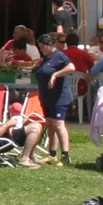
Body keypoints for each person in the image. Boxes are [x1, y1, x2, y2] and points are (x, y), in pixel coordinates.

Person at [34, 32, 81, 166]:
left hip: (59, 97)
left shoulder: (59, 56)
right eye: (39, 47)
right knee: (50, 124)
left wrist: (55, 75)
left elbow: (71, 67)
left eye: (43, 47)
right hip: (47, 96)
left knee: (59, 125)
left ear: (50, 45)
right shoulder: (46, 58)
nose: (41, 50)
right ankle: (52, 154)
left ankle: (65, 156)